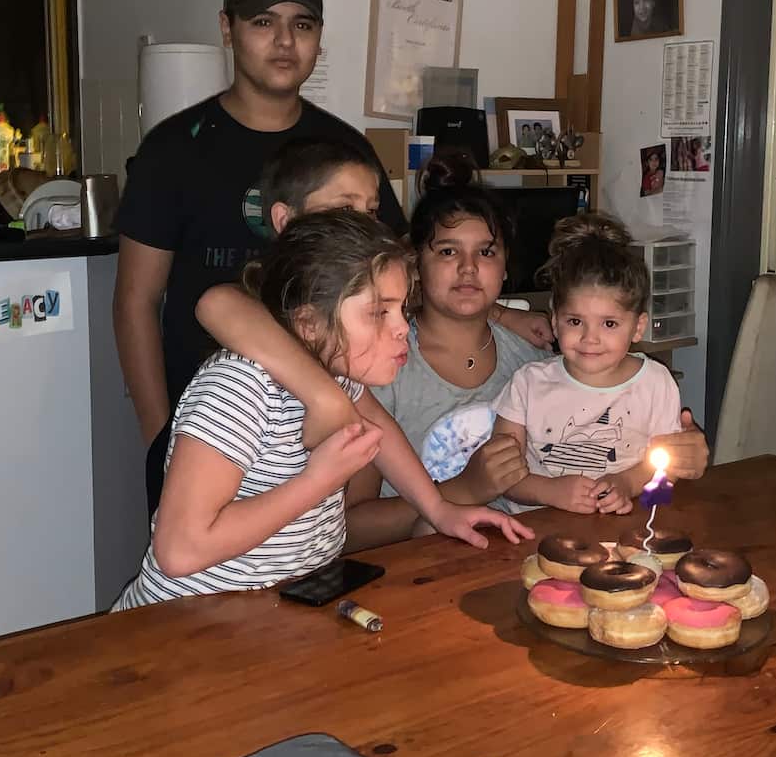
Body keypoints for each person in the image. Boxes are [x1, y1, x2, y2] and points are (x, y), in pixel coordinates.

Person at [113, 0, 405, 516]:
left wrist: (502, 315)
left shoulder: (346, 153)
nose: (284, 41)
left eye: (302, 24)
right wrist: (157, 431)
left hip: (321, 426)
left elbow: (395, 274)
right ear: (228, 28)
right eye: (263, 22)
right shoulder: (174, 150)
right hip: (212, 428)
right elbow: (135, 300)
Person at [113, 212, 530, 609]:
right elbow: (179, 551)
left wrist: (439, 510)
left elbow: (380, 429)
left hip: (274, 619)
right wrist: (318, 480)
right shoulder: (240, 388)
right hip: (181, 625)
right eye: (378, 312)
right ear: (310, 324)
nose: (403, 326)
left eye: (401, 308)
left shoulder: (336, 372)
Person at [195, 153, 556, 548]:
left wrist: (438, 508)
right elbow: (216, 303)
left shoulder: (352, 369)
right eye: (345, 208)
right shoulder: (256, 379)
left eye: (371, 210)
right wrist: (326, 404)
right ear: (286, 221)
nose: (362, 224)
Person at [492, 212, 696, 515]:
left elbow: (667, 464)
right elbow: (500, 475)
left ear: (638, 327)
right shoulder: (527, 383)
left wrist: (626, 483)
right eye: (575, 321)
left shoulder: (655, 382)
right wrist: (549, 491)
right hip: (535, 531)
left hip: (623, 530)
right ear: (555, 321)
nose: (590, 338)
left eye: (609, 324)